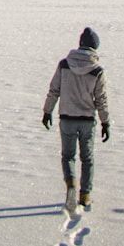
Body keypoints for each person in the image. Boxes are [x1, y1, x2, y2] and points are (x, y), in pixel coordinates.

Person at [42, 27, 110, 212]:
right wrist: (105, 122)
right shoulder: (97, 71)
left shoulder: (64, 64)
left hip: (67, 118)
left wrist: (47, 111)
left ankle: (71, 184)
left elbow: (54, 89)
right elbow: (101, 100)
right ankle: (85, 195)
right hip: (87, 119)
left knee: (68, 156)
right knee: (87, 158)